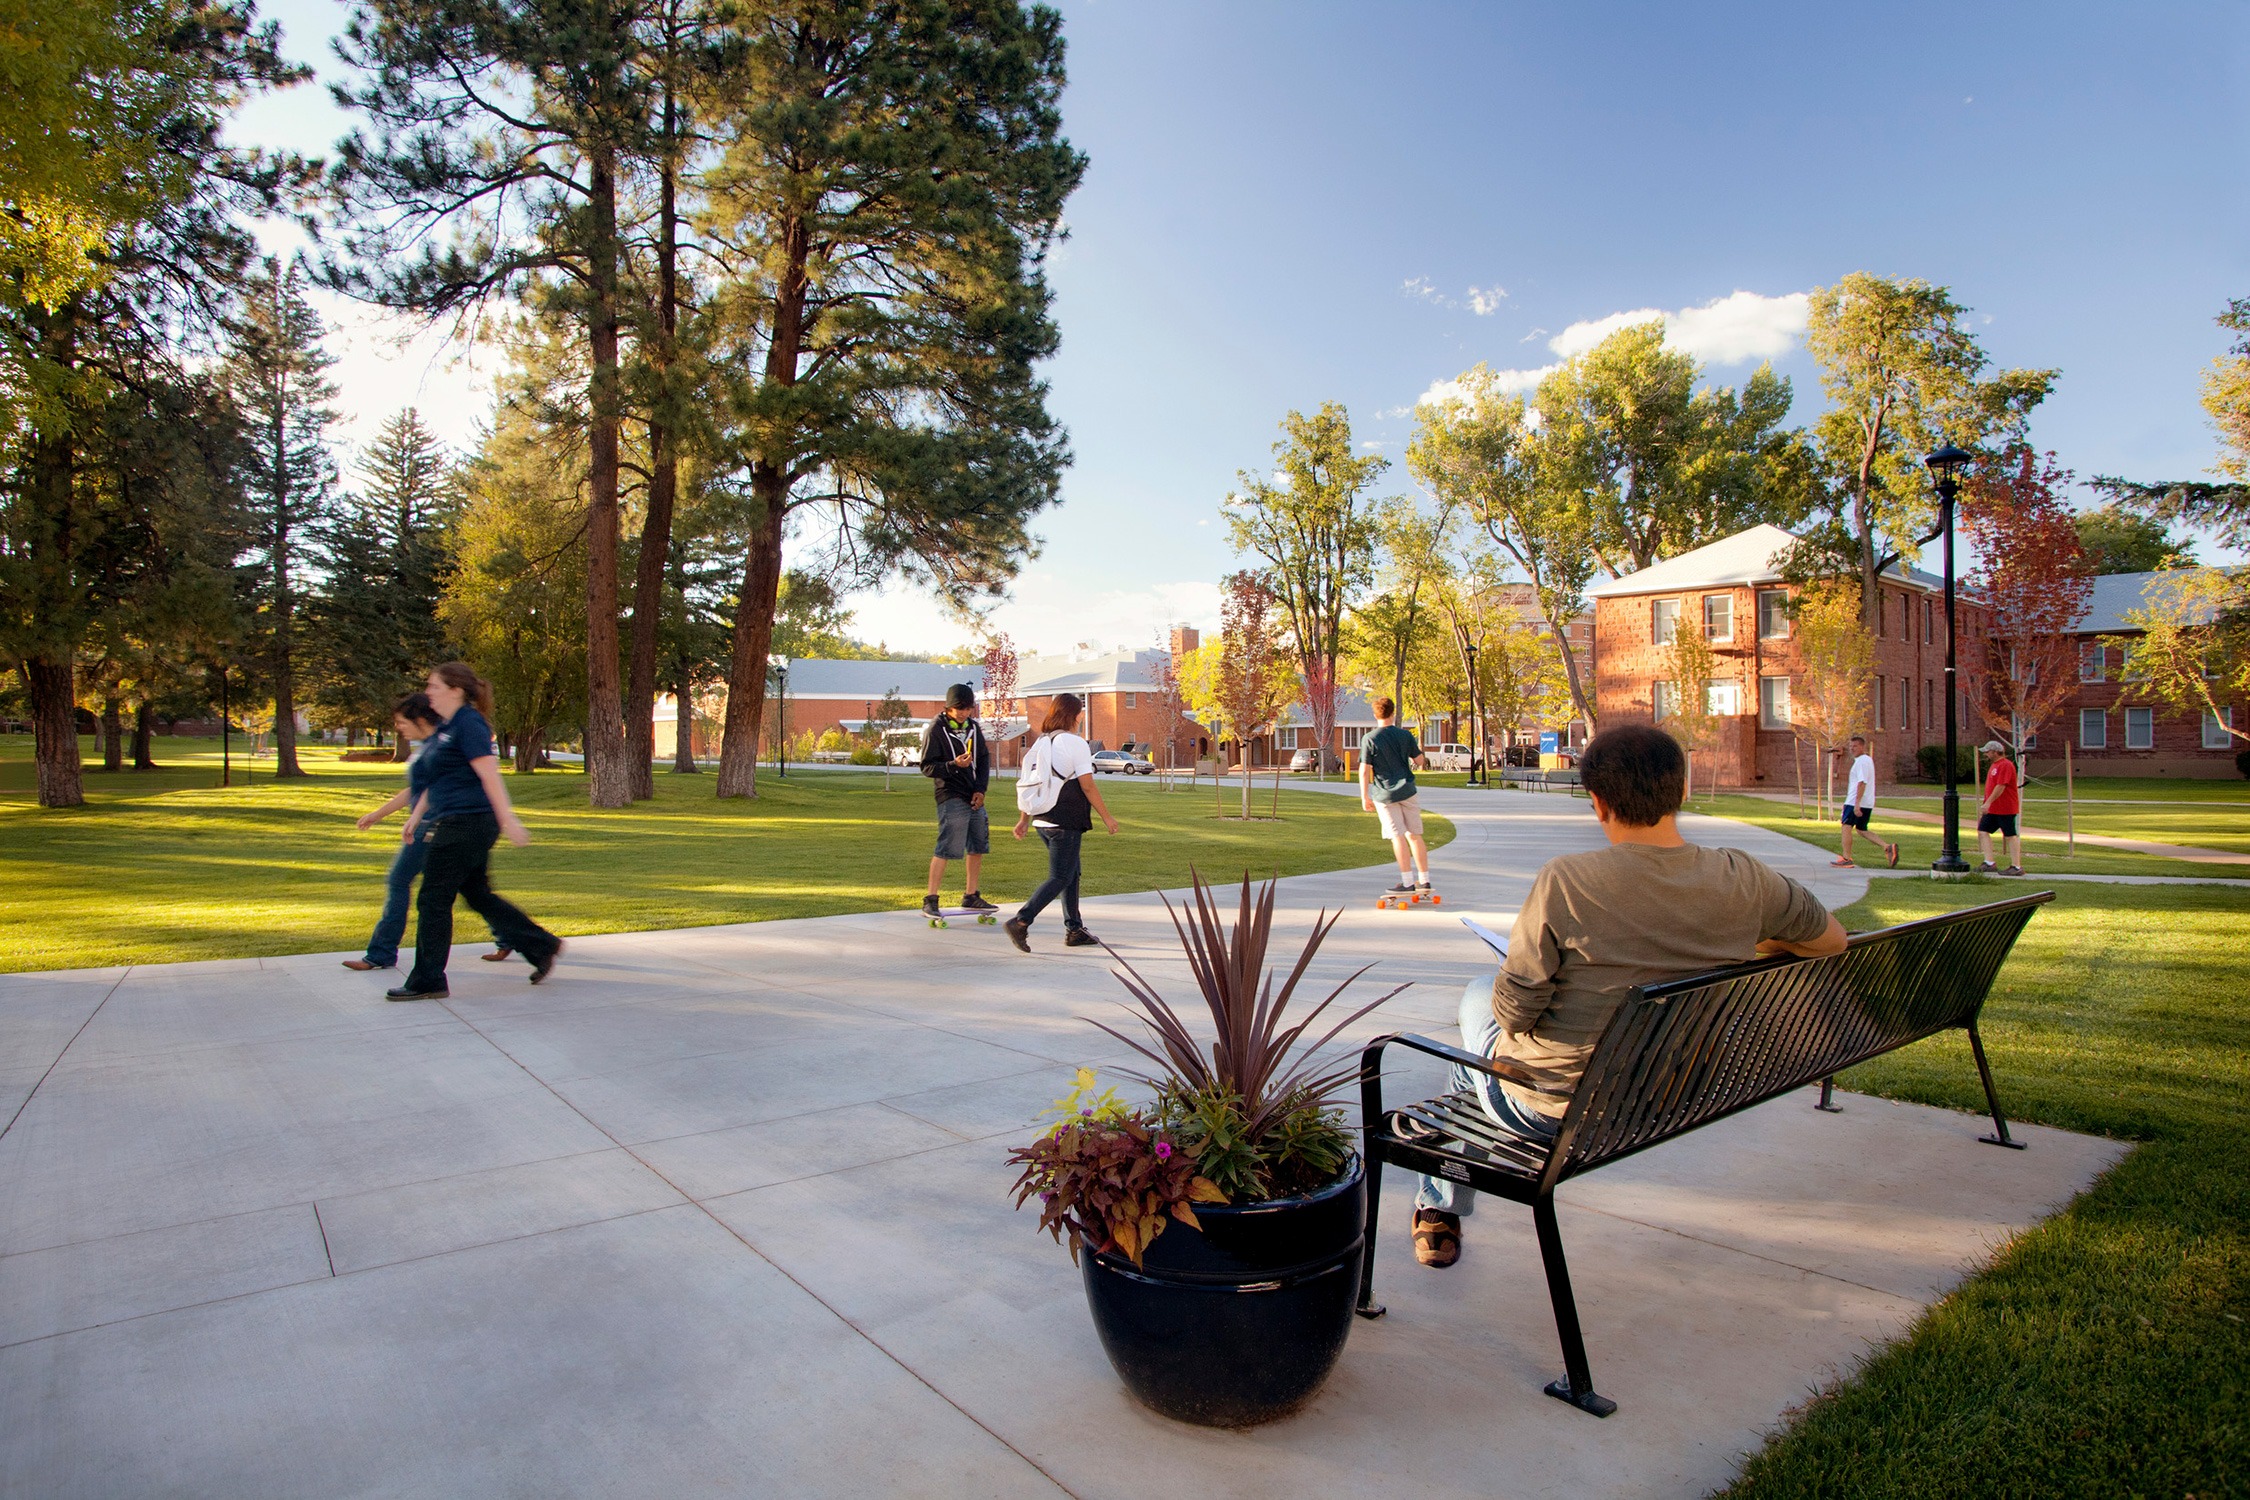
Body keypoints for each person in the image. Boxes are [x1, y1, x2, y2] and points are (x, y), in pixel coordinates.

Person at [1407, 724, 1847, 1269]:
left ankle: (1439, 1203)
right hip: (1669, 1098)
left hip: (1556, 1112)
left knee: (1478, 1014)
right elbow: (1831, 940)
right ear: (1682, 792)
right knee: (1484, 1054)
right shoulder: (1745, 877)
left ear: (1596, 803)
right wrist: (1747, 940)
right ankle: (1439, 1203)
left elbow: (1516, 1014)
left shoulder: (1567, 881)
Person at [387, 662, 564, 1001]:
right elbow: (438, 779)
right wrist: (415, 817)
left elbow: (489, 774)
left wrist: (509, 818)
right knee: (477, 894)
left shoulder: (468, 724)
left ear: (456, 690)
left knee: (433, 898)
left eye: (434, 686)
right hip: (457, 819)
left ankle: (428, 980)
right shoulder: (447, 727)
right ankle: (541, 945)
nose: (428, 693)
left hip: (468, 823)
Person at [1004, 692, 1117, 952]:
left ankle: (1074, 929)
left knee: (1071, 873)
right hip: (1065, 820)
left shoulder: (1040, 742)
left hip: (1043, 820)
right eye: (1080, 711)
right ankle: (1021, 921)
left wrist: (1024, 819)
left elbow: (1028, 784)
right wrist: (1107, 817)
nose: (1082, 715)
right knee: (1060, 877)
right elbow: (1087, 786)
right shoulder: (1074, 743)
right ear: (1074, 715)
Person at [918, 683, 994, 920]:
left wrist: (981, 790)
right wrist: (953, 765)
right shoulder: (936, 730)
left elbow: (983, 759)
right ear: (948, 708)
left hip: (974, 795)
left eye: (967, 708)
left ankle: (971, 895)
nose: (963, 713)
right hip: (950, 794)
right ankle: (931, 899)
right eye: (958, 709)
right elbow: (927, 767)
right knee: (948, 846)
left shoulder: (973, 727)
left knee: (978, 844)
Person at [1359, 696, 1431, 895]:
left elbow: (1364, 770)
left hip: (1385, 794)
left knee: (1397, 836)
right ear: (1393, 713)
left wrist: (1365, 796)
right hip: (1408, 790)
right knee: (1415, 835)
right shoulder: (1405, 736)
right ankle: (1424, 880)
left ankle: (1407, 881)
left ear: (1375, 715)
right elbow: (1419, 760)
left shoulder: (1370, 739)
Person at [1833, 733, 1899, 869]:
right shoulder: (1867, 760)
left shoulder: (1862, 761)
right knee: (1862, 829)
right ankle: (1887, 847)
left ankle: (1846, 858)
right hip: (1867, 802)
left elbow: (1862, 783)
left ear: (1862, 747)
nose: (1852, 749)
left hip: (1854, 802)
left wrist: (1857, 804)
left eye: (1855, 746)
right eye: (1850, 746)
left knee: (1846, 826)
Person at [1977, 739, 2025, 875]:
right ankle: (1989, 862)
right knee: (1983, 831)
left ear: (1995, 752)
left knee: (2010, 835)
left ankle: (2016, 866)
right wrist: (1987, 804)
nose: (1985, 754)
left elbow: (2001, 786)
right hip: (1993, 809)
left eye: (1987, 751)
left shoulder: (2006, 765)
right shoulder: (1995, 766)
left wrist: (1988, 802)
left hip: (2005, 808)